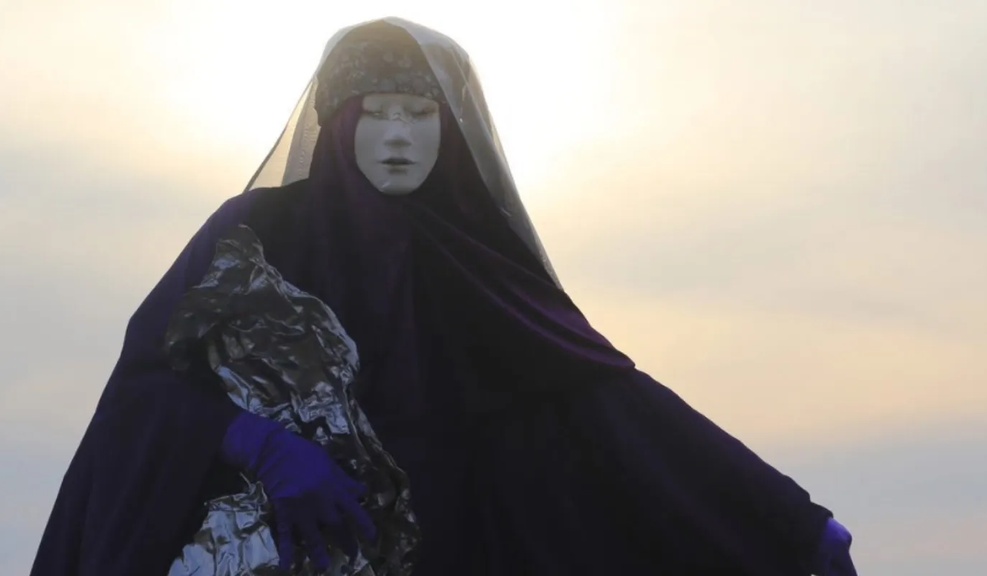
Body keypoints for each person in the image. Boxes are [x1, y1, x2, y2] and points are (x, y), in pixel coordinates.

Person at [31, 17, 858, 576]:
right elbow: (143, 388)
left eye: (421, 113)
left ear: (451, 129)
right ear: (340, 122)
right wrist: (260, 445)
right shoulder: (255, 234)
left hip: (452, 548)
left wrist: (789, 522)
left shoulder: (478, 262)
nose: (399, 134)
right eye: (376, 111)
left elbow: (611, 406)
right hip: (268, 550)